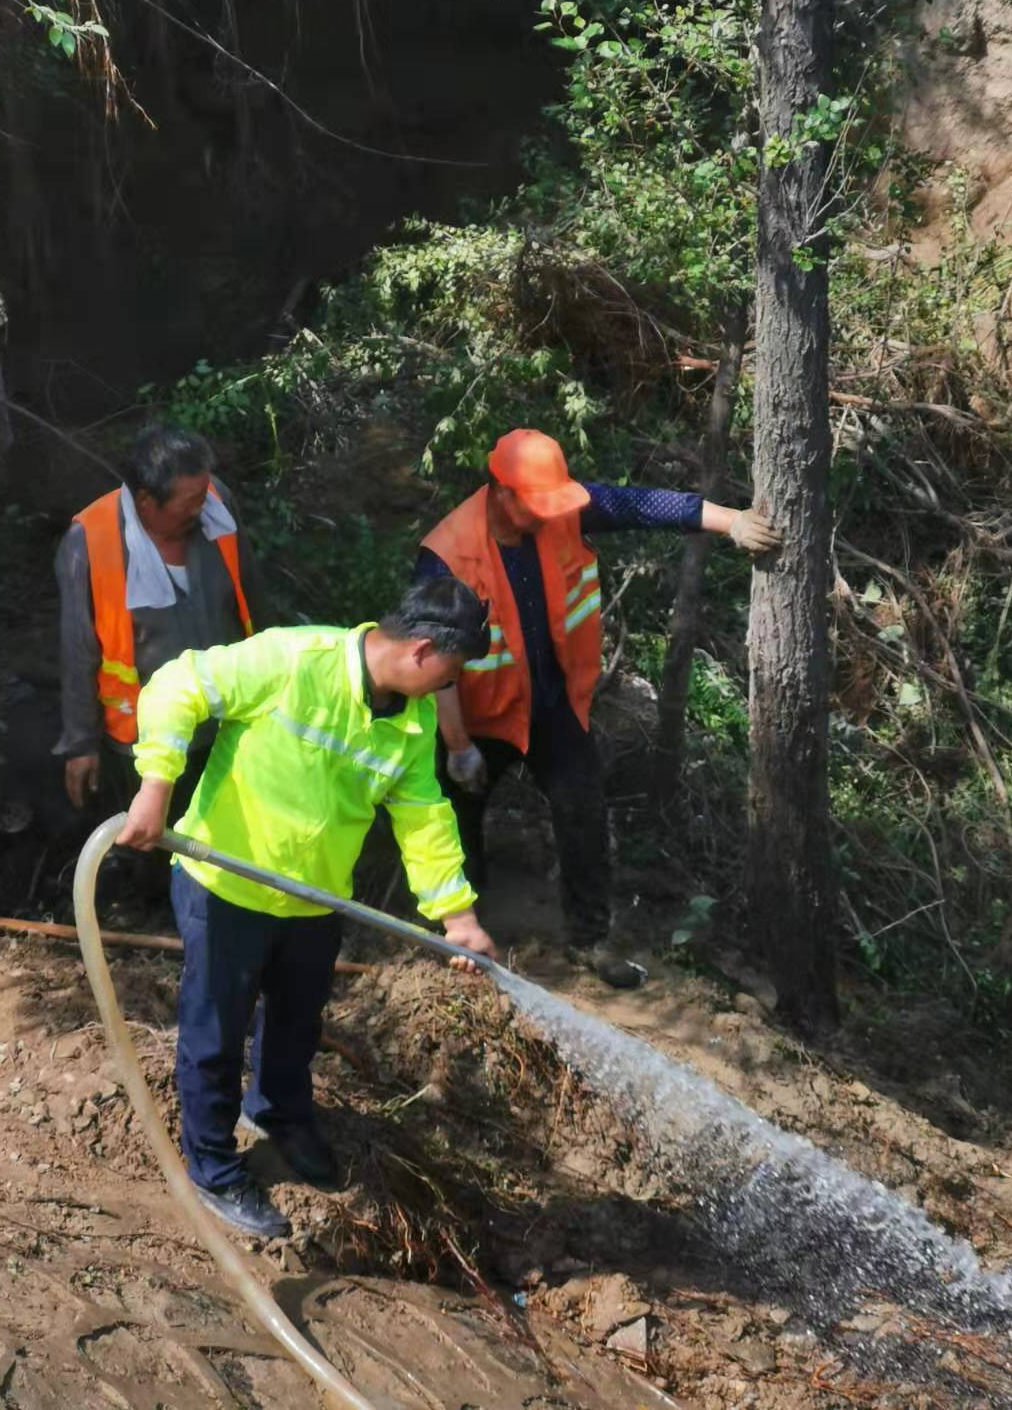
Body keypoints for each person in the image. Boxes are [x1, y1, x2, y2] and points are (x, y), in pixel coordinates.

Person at [115, 577, 499, 1238]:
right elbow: (178, 684)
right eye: (451, 672)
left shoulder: (412, 718)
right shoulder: (294, 660)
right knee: (215, 1034)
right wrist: (158, 783)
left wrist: (457, 914)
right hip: (225, 886)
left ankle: (279, 1113)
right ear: (423, 650)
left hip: (314, 902)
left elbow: (423, 814)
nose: (449, 687)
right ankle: (212, 1165)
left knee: (295, 1024)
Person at [417, 427, 782, 991]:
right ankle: (460, 938)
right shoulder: (447, 555)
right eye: (534, 505)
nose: (546, 516)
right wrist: (459, 746)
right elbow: (435, 661)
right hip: (477, 717)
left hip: (551, 705)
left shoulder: (559, 508)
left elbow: (640, 504)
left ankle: (589, 937)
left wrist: (730, 519)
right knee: (457, 821)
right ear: (501, 491)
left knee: (582, 809)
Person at [54, 423, 264, 888]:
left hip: (228, 717)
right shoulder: (88, 541)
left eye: (204, 492)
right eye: (189, 500)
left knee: (225, 835)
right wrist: (80, 742)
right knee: (154, 842)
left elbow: (253, 597)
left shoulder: (217, 507)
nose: (202, 505)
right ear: (147, 501)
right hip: (143, 737)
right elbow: (77, 649)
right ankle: (154, 910)